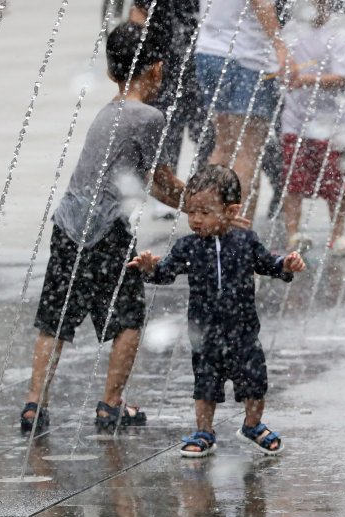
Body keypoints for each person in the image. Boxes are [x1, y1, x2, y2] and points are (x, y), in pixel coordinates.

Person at [20, 22, 187, 433]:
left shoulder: (108, 111)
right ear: (158, 70)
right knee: (129, 315)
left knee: (55, 318)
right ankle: (111, 404)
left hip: (68, 223)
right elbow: (159, 180)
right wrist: (202, 204)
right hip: (106, 227)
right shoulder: (149, 116)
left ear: (112, 73)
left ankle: (33, 404)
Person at [128, 165, 305, 457]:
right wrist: (149, 269)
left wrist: (285, 265)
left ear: (232, 211)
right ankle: (204, 430)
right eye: (192, 212)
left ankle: (252, 424)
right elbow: (166, 272)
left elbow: (268, 264)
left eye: (205, 212)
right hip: (205, 333)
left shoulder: (246, 242)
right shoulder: (188, 247)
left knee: (254, 383)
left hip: (244, 333)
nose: (196, 219)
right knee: (205, 385)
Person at [195, 0, 292, 221]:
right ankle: (237, 234)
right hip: (246, 57)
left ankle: (208, 222)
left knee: (223, 145)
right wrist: (280, 46)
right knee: (247, 152)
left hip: (209, 52)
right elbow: (261, 4)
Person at [281, 0, 345, 254]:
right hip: (295, 119)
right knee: (294, 182)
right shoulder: (290, 30)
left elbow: (342, 78)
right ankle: (294, 234)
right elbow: (280, 66)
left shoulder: (338, 32)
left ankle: (338, 236)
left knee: (336, 185)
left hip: (334, 122)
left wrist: (304, 79)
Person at [128, 1, 214, 221]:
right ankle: (168, 195)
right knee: (167, 129)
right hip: (164, 62)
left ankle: (204, 192)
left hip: (201, 59)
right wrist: (136, 52)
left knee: (206, 134)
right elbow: (139, 10)